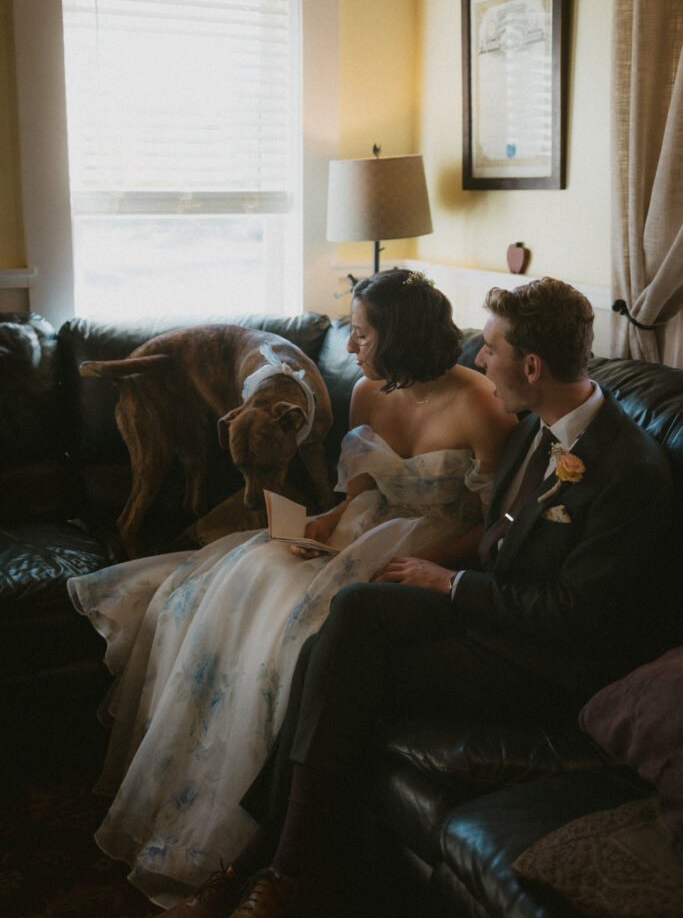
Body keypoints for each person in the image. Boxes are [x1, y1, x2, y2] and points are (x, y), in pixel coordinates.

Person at [161, 276, 675, 918]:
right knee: (347, 618)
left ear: (533, 365)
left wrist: (451, 582)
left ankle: (283, 869)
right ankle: (275, 856)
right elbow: (500, 534)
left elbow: (573, 617)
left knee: (342, 665)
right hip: (496, 613)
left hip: (547, 664)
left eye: (489, 349)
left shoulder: (630, 472)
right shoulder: (540, 428)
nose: (480, 361)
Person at [68, 268, 515, 907]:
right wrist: (326, 523)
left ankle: (264, 843)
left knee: (300, 619)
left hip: (434, 550)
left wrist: (426, 568)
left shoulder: (481, 403)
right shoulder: (367, 391)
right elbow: (363, 483)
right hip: (367, 530)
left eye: (362, 334)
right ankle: (192, 787)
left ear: (401, 334)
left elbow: (496, 526)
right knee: (255, 568)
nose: (352, 347)